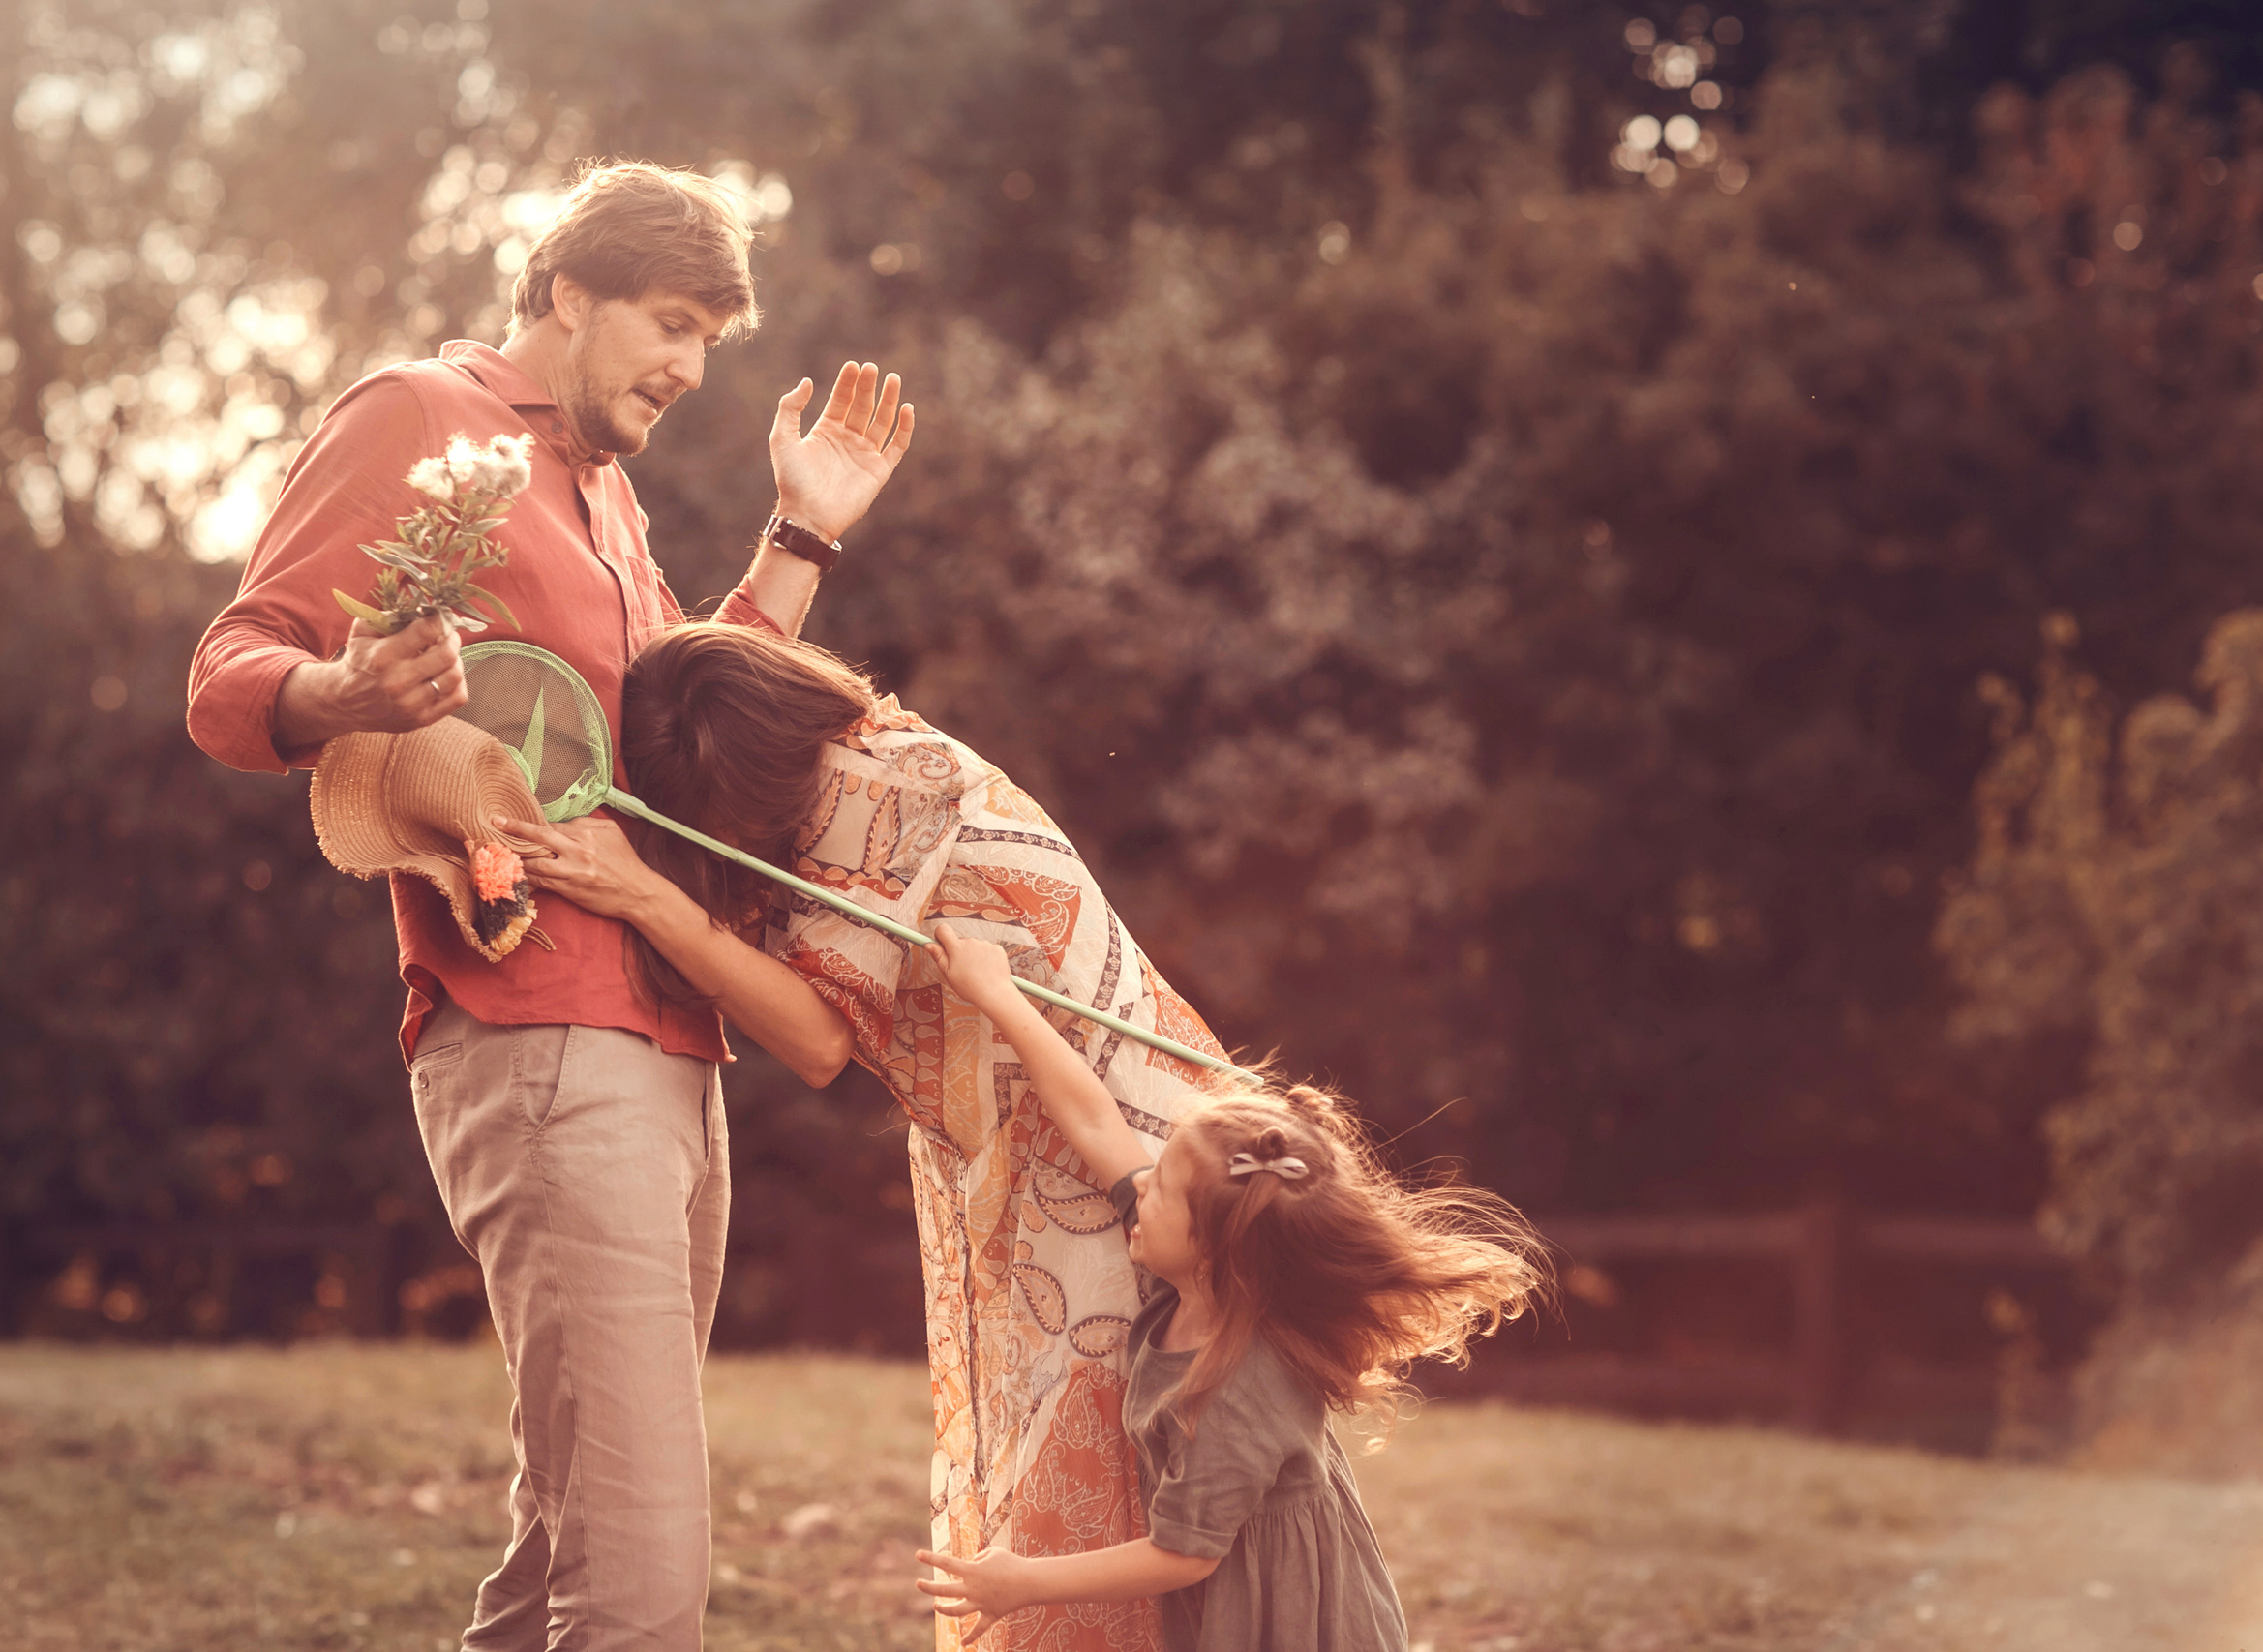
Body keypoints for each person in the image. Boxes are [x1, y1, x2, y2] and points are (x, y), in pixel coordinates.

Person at [186, 161, 913, 1651]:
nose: (690, 367)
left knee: (563, 1549)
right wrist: (342, 687)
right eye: (668, 319)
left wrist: (802, 540)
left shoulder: (611, 500)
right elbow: (229, 668)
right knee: (640, 1580)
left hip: (671, 1037)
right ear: (563, 293)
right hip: (542, 1029)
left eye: (710, 338)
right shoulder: (417, 417)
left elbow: (668, 745)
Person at [501, 623, 1370, 1651]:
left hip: (1098, 1150)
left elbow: (818, 1038)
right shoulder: (846, 751)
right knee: (1112, 1441)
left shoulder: (881, 784)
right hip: (1051, 1133)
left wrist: (643, 893)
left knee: (1093, 1451)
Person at [914, 932, 1545, 1650]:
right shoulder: (1186, 1272)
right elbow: (1095, 1118)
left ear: (1213, 1250)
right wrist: (998, 994)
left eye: (1163, 1190)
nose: (1140, 1185)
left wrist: (1023, 1580)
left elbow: (1185, 1551)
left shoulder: (1242, 1381)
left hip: (1299, 1624)